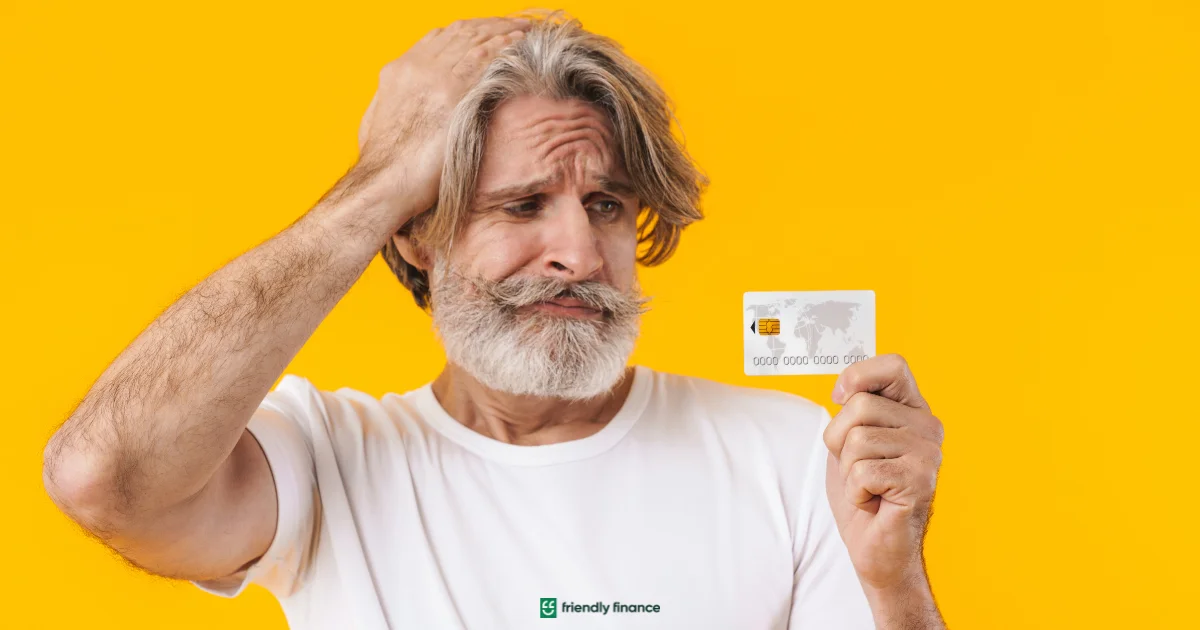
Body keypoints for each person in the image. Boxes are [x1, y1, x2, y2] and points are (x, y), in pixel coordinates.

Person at [42, 13, 946, 630]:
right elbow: (101, 477)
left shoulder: (795, 454)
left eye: (604, 205)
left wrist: (894, 582)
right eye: (520, 207)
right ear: (417, 238)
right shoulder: (322, 465)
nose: (581, 254)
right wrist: (379, 183)